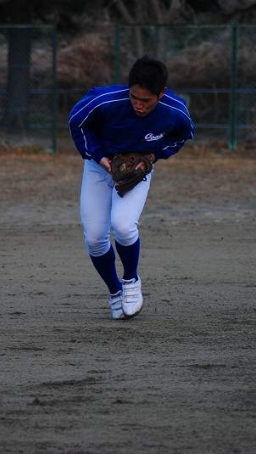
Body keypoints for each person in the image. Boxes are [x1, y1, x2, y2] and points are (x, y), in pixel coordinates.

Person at [68, 55, 195, 320]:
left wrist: (152, 157)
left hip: (137, 171)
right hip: (98, 167)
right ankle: (115, 291)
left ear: (161, 94)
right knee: (94, 237)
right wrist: (99, 157)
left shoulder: (174, 111)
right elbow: (76, 122)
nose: (138, 104)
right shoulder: (104, 100)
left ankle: (130, 280)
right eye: (134, 97)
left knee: (123, 226)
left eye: (146, 100)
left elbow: (183, 135)